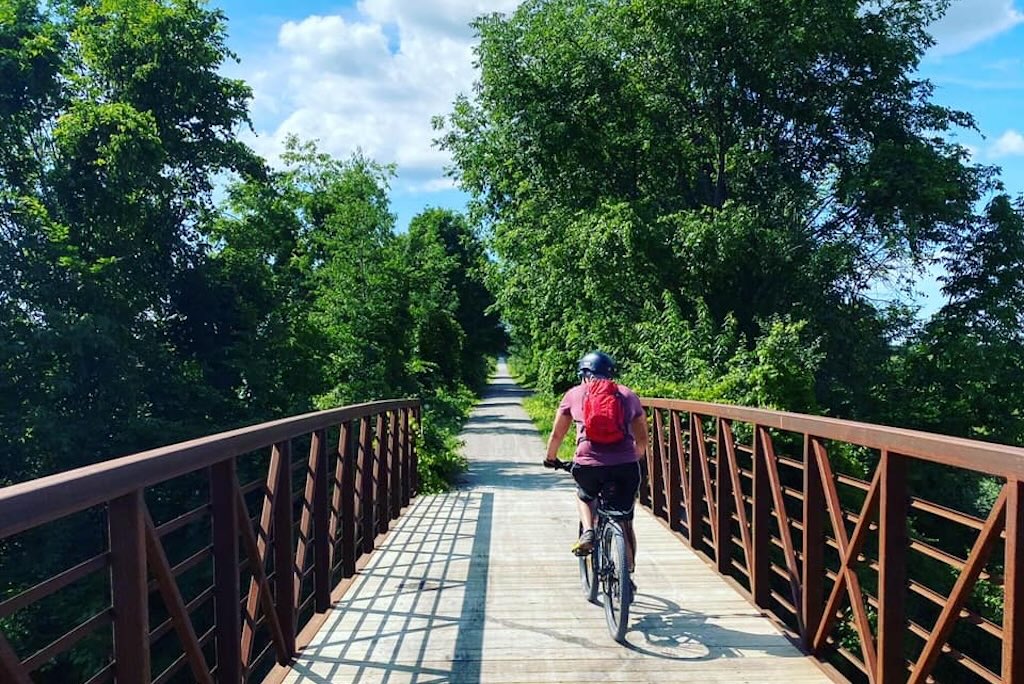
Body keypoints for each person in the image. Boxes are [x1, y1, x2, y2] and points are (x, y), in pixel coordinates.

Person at [543, 351, 647, 571]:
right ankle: (627, 575)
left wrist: (551, 458)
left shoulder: (573, 394)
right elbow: (642, 440)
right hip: (625, 466)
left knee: (584, 495)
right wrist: (634, 457)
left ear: (584, 374)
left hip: (588, 465)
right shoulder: (627, 395)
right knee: (625, 520)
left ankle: (588, 530)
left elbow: (557, 435)